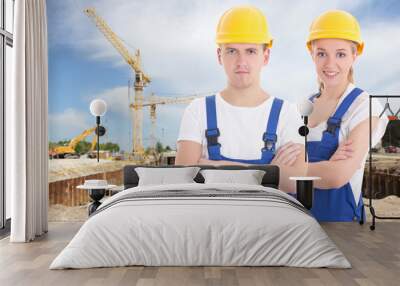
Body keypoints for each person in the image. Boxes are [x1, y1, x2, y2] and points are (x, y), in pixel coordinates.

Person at [175, 5, 306, 193]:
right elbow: (184, 178)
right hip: (208, 220)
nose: (241, 61)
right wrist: (269, 172)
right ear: (219, 55)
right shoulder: (197, 110)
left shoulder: (288, 113)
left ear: (265, 56)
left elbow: (296, 182)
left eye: (250, 51)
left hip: (267, 221)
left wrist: (215, 166)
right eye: (231, 51)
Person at [302, 10, 388, 222]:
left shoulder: (364, 106)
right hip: (298, 223)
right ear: (311, 53)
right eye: (322, 53)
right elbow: (276, 160)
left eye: (340, 54)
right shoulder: (303, 106)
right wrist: (323, 168)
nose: (330, 64)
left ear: (355, 55)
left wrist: (290, 170)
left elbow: (337, 175)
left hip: (340, 228)